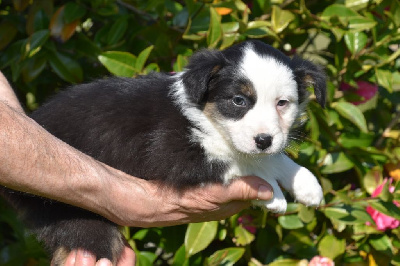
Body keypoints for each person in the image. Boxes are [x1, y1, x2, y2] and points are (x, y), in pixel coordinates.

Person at [0, 72, 273, 266]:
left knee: (99, 254)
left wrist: (26, 147)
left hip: (59, 137)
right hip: (67, 140)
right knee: (97, 251)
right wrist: (124, 196)